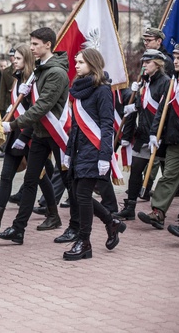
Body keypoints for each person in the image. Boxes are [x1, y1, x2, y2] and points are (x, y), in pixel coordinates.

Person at [0, 27, 73, 245]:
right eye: (31, 44)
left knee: (69, 180)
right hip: (39, 132)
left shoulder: (56, 72)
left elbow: (44, 106)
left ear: (48, 44)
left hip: (56, 133)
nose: (31, 48)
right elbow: (34, 104)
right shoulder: (40, 69)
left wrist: (13, 125)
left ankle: (77, 226)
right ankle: (18, 230)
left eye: (36, 44)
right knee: (30, 181)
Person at [0, 44, 57, 232]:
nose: (14, 61)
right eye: (14, 58)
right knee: (6, 177)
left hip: (28, 136)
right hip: (15, 134)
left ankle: (53, 214)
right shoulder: (17, 79)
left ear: (26, 59)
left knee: (40, 177)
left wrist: (25, 135)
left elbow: (34, 112)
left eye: (18, 58)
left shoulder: (33, 81)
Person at [62, 48, 126, 260]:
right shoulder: (78, 89)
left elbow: (108, 126)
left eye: (81, 62)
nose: (77, 65)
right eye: (76, 62)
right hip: (80, 149)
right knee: (78, 195)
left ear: (92, 64)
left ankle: (84, 241)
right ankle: (111, 222)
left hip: (95, 149)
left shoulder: (102, 90)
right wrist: (69, 152)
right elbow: (77, 126)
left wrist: (104, 156)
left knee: (82, 196)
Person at [138, 42, 179, 229]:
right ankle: (158, 212)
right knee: (168, 176)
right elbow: (162, 109)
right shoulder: (174, 82)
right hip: (175, 140)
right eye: (175, 57)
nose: (175, 61)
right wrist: (154, 133)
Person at [115, 49, 171, 220]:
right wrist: (134, 107)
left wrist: (157, 134)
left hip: (161, 137)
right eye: (143, 62)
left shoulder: (166, 83)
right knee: (136, 170)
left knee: (171, 174)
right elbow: (142, 106)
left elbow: (163, 111)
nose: (144, 65)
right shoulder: (144, 82)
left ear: (158, 64)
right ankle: (130, 207)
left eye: (148, 62)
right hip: (144, 135)